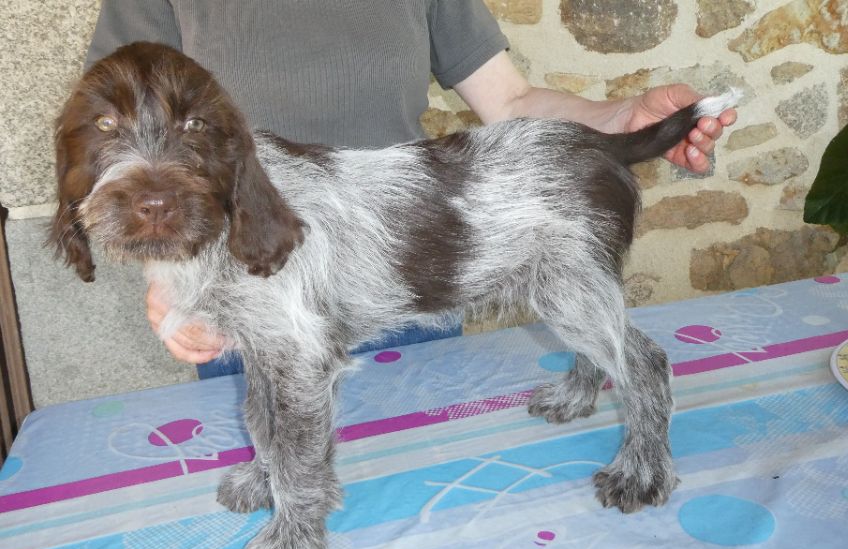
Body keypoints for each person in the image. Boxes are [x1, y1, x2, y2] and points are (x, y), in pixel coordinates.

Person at [85, 0, 737, 374]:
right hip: (250, 296)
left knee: (426, 514)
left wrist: (618, 121)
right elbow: (123, 136)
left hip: (408, 289)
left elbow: (510, 102)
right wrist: (166, 276)